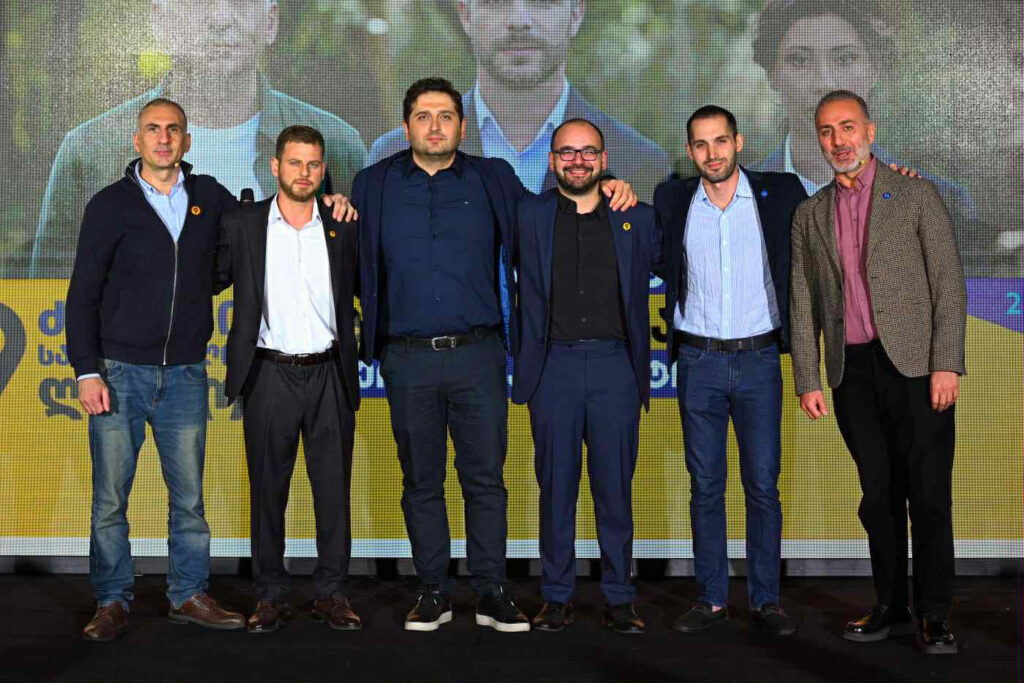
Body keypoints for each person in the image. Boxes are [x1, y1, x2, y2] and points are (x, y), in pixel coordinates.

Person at [350, 77, 635, 633]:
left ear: (463, 125)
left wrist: (607, 185)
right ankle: (433, 589)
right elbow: (344, 243)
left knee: (484, 480)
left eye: (446, 116)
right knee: (421, 482)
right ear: (406, 126)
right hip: (407, 358)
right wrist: (335, 201)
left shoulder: (493, 178)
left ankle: (491, 590)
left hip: (478, 355)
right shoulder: (372, 184)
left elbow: (551, 215)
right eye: (424, 116)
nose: (435, 126)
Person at [790, 90, 966, 654]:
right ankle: (890, 605)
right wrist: (808, 377)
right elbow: (802, 301)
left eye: (847, 127)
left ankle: (935, 614)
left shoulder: (916, 194)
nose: (838, 140)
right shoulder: (810, 214)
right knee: (878, 497)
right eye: (826, 131)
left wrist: (946, 363)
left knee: (929, 496)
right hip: (852, 373)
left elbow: (948, 285)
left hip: (917, 369)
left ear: (870, 130)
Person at [66, 98, 245, 641]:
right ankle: (111, 600)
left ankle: (188, 594)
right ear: (137, 140)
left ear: (187, 141)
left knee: (189, 501)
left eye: (173, 130)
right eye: (153, 129)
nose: (163, 138)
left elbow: (249, 236)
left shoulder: (210, 197)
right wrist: (86, 371)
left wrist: (327, 199)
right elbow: (82, 295)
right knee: (109, 502)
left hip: (186, 374)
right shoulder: (108, 206)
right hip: (119, 374)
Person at [31, 0, 366, 277]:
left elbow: (364, 287)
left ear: (271, 21)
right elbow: (45, 300)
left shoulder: (335, 146)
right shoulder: (91, 150)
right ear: (160, 21)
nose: (221, 18)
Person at [653, 105, 807, 637]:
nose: (711, 153)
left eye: (720, 141)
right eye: (700, 144)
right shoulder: (672, 200)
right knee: (705, 487)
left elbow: (828, 219)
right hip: (698, 363)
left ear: (738, 143)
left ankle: (767, 599)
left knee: (762, 486)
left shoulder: (781, 192)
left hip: (760, 360)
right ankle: (711, 598)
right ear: (690, 150)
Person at [512, 118, 660, 634]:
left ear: (604, 159)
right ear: (552, 160)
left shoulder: (636, 216)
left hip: (616, 367)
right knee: (556, 489)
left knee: (615, 489)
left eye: (588, 152)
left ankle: (620, 597)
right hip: (552, 367)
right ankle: (556, 596)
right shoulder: (528, 215)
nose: (578, 161)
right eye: (567, 152)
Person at [214, 125, 361, 634]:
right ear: (275, 167)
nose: (304, 173)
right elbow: (208, 278)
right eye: (295, 163)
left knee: (333, 492)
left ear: (324, 170)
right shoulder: (243, 224)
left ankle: (332, 593)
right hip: (269, 373)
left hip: (330, 374)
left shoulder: (343, 224)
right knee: (268, 492)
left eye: (313, 164)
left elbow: (370, 285)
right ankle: (270, 595)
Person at [367, 0, 669, 200]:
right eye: (496, 2)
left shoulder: (639, 164)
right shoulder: (393, 159)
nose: (519, 21)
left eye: (543, 1)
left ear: (576, 13)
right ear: (466, 15)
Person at [750, 0, 975, 232]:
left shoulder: (944, 203)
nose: (825, 83)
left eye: (845, 59)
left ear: (873, 69)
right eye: (800, 60)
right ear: (772, 75)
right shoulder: (736, 197)